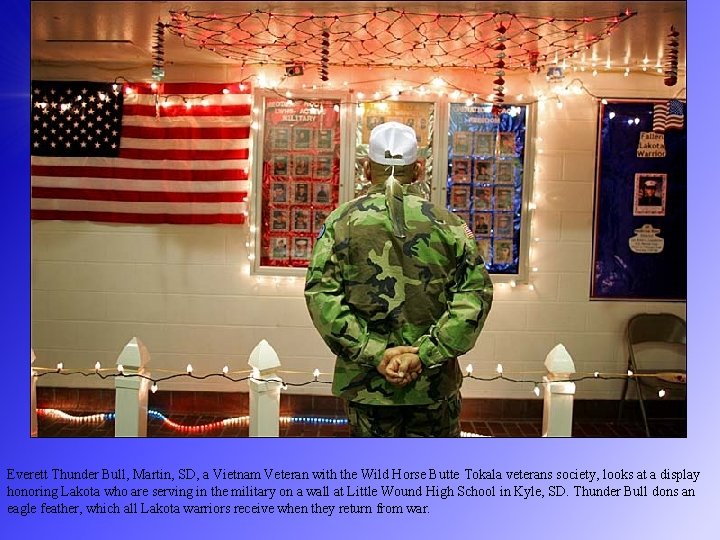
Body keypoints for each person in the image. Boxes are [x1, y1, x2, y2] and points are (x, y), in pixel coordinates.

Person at [304, 121, 493, 437]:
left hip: (368, 387)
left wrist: (374, 352)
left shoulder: (340, 223)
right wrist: (424, 354)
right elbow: (474, 295)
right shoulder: (449, 225)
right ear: (418, 170)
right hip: (432, 387)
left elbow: (322, 295)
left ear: (366, 169)